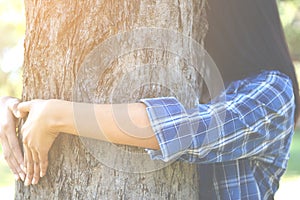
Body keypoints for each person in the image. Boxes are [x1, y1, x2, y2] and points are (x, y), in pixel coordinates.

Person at [0, 0, 299, 199]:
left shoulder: (274, 92)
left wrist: (58, 115)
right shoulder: (200, 82)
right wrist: (15, 107)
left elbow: (190, 131)